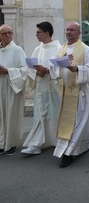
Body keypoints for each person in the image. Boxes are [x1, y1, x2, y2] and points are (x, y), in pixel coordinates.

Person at [53, 22, 89, 168]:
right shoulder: (61, 49)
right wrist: (59, 64)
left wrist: (76, 69)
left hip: (79, 94)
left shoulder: (85, 49)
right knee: (67, 124)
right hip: (65, 93)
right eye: (67, 29)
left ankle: (69, 153)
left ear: (79, 33)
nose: (68, 32)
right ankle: (68, 148)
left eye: (72, 30)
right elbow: (54, 70)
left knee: (78, 124)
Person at [21, 22, 61, 155]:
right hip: (40, 88)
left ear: (47, 33)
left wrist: (48, 70)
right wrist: (37, 72)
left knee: (54, 115)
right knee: (40, 116)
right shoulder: (38, 49)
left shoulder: (59, 48)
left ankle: (56, 141)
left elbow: (61, 68)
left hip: (53, 89)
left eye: (38, 32)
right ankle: (36, 143)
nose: (36, 34)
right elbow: (30, 68)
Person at [0, 24, 28, 155]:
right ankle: (1, 143)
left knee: (12, 116)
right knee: (1, 116)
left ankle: (12, 144)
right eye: (4, 33)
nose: (7, 35)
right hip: (0, 87)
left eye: (10, 33)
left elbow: (24, 70)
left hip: (13, 88)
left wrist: (7, 71)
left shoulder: (18, 50)